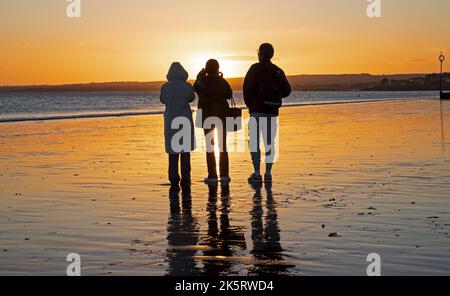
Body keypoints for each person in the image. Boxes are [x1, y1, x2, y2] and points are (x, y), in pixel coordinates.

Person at [243, 43, 291, 184]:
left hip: (257, 111)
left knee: (254, 142)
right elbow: (287, 91)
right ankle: (268, 173)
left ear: (261, 54)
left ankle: (257, 173)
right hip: (272, 112)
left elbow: (247, 88)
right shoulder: (278, 70)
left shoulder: (255, 68)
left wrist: (251, 105)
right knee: (270, 143)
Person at [194, 59, 233, 184]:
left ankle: (212, 176)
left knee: (209, 146)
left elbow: (195, 88)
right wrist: (221, 77)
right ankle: (225, 175)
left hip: (206, 116)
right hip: (221, 115)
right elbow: (229, 94)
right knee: (223, 146)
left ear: (206, 68)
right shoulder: (222, 81)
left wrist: (200, 75)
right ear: (217, 68)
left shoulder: (201, 82)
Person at [160, 62, 196, 187]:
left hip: (171, 120)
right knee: (185, 151)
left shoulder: (165, 87)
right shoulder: (187, 86)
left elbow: (163, 100)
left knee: (173, 151)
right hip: (184, 119)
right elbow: (191, 98)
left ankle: (173, 178)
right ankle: (186, 178)